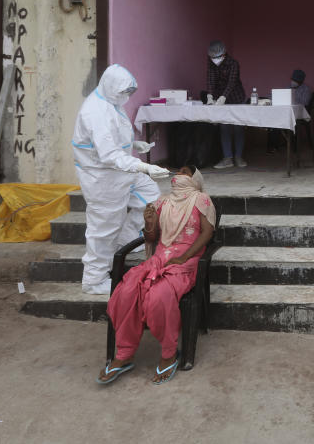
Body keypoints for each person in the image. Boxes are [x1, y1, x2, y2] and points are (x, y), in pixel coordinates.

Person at [98, 166, 215, 385]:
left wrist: (184, 257)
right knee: (126, 292)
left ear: (195, 179)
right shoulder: (162, 202)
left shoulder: (202, 199)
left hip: (186, 261)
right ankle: (124, 354)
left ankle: (169, 353)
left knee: (158, 297)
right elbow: (152, 237)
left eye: (185, 172)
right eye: (177, 170)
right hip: (159, 259)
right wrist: (149, 223)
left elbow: (208, 233)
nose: (178, 174)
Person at [72, 64, 168, 295]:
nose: (126, 97)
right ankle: (94, 280)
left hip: (122, 169)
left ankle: (124, 242)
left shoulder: (111, 102)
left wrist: (134, 145)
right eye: (123, 92)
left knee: (151, 198)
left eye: (129, 93)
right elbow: (108, 154)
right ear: (110, 86)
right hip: (103, 177)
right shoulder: (96, 112)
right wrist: (143, 166)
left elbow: (113, 140)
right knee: (103, 227)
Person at [206, 40, 247, 169]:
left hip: (236, 97)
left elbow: (232, 82)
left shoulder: (233, 63)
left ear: (223, 54)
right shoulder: (211, 63)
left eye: (217, 57)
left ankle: (239, 157)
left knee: (238, 126)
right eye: (212, 57)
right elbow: (210, 80)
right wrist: (210, 95)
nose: (214, 60)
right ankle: (227, 158)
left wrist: (224, 97)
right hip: (219, 99)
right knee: (224, 127)